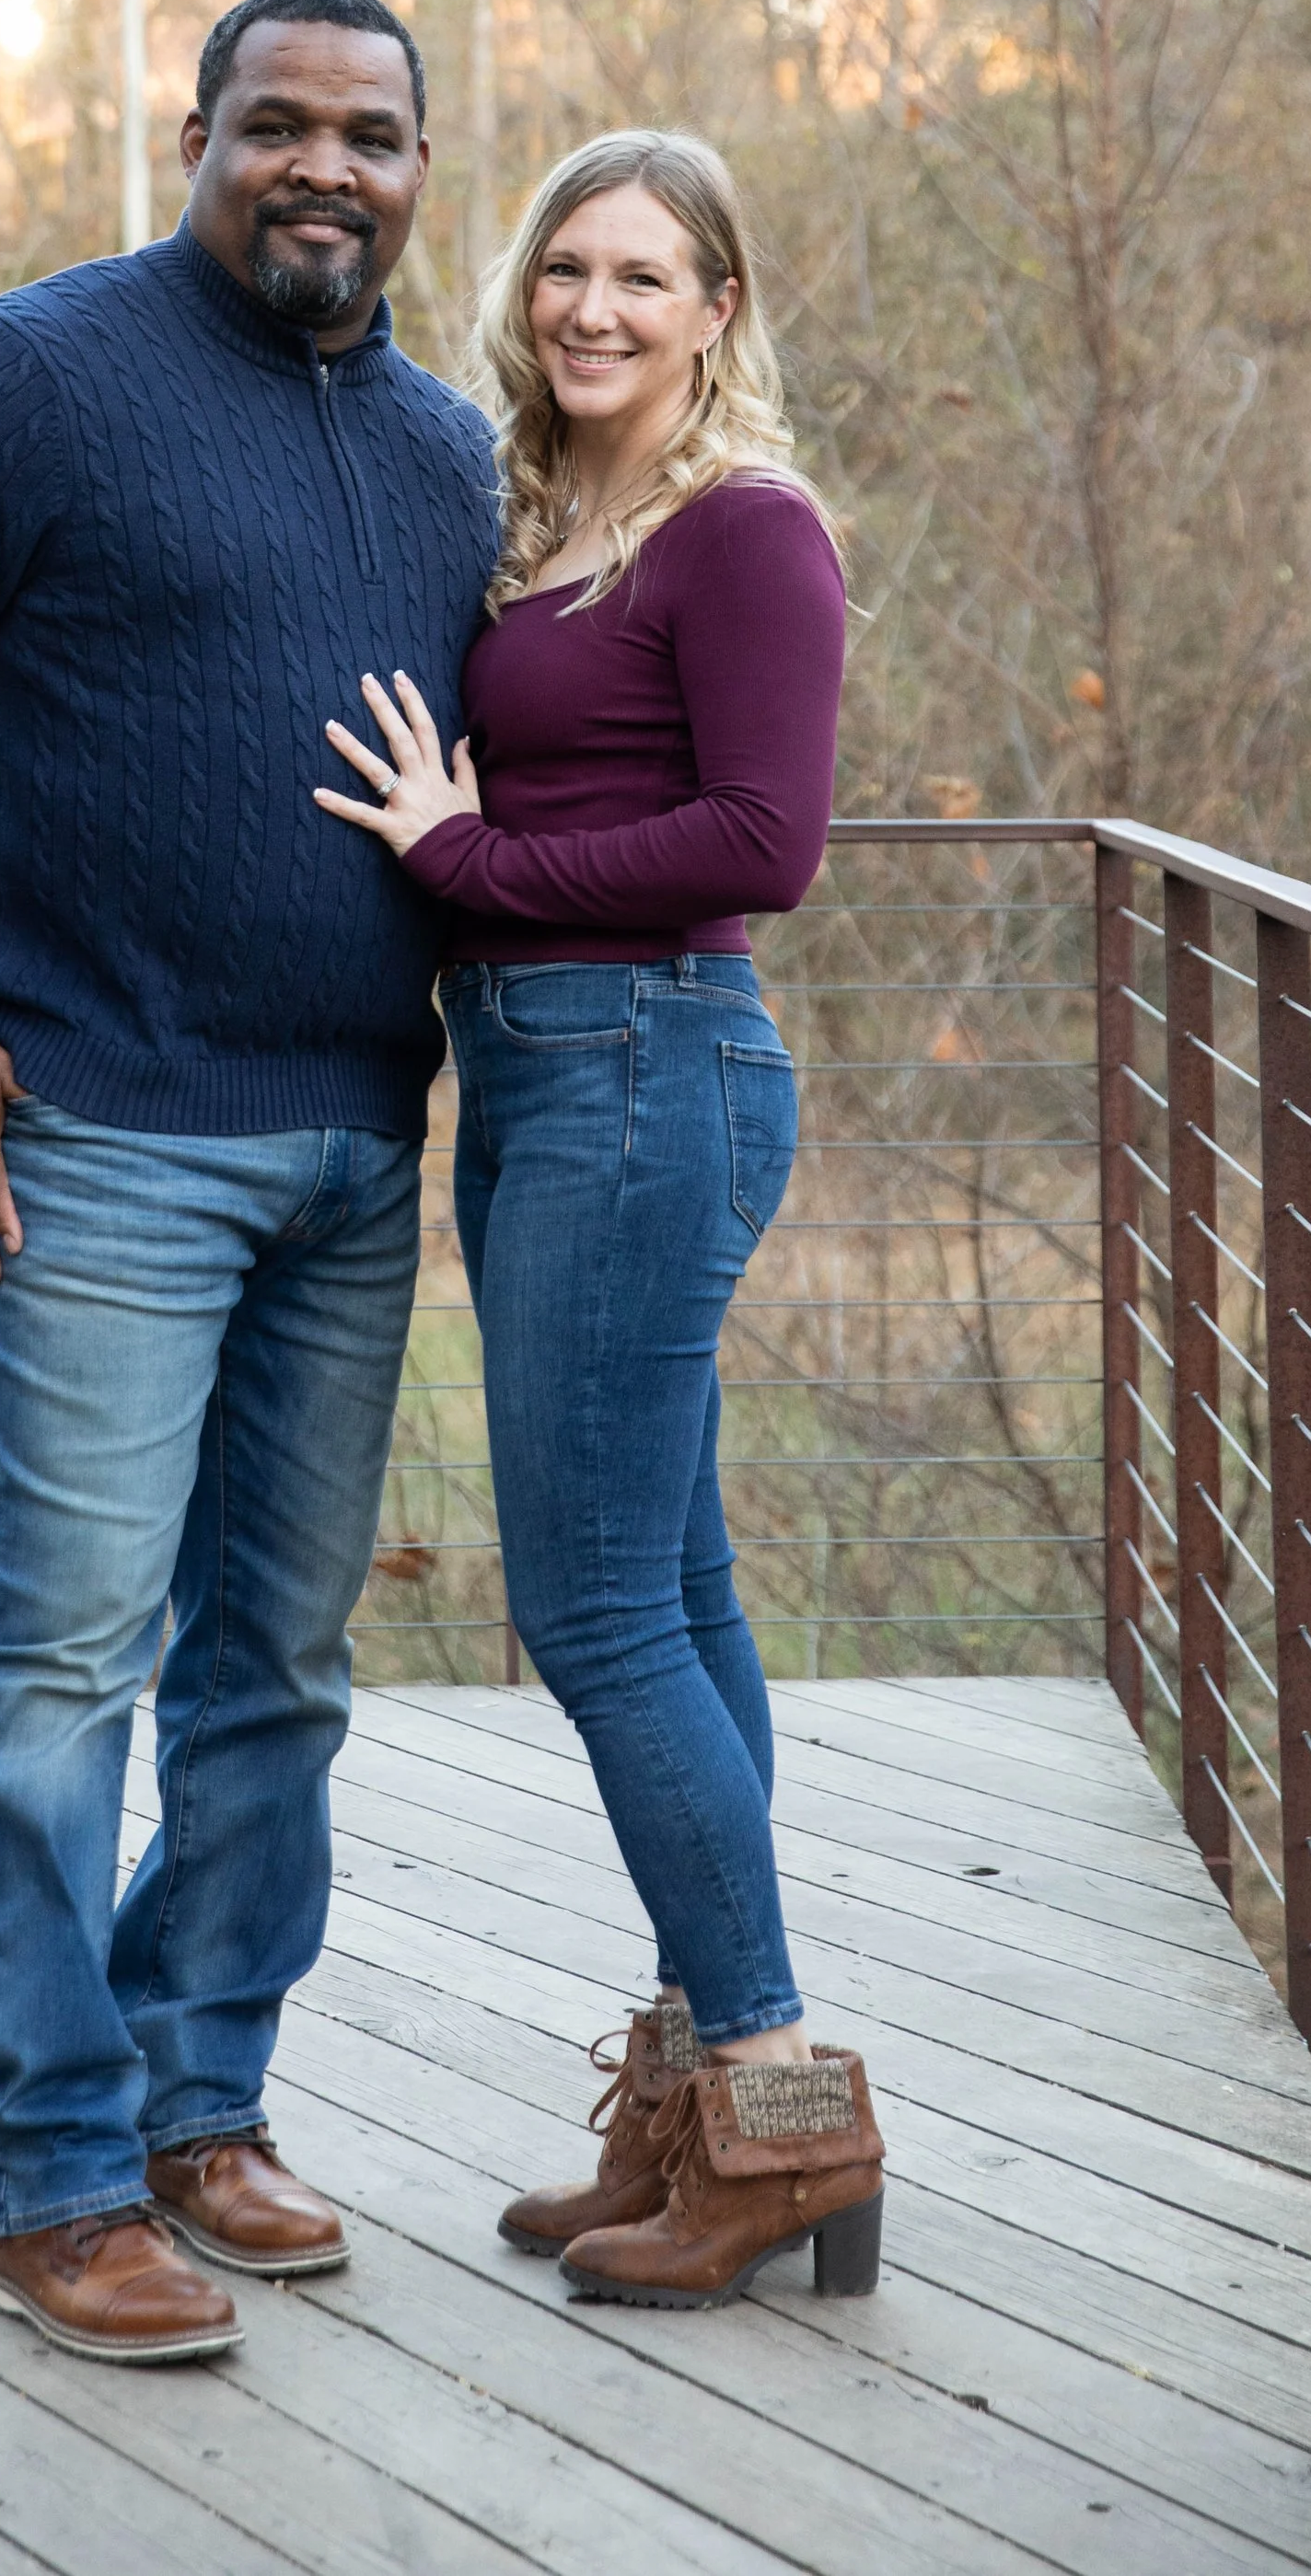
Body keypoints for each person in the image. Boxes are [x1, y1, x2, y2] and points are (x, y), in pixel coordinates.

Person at [0, 0, 495, 2363]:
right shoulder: (38, 372)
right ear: (192, 133)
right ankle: (56, 2171)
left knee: (273, 1666)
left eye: (366, 133)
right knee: (64, 1663)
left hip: (353, 1150)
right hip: (92, 1135)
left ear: (414, 169)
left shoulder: (454, 453)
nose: (320, 165)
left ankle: (204, 2104)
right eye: (272, 121)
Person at [316, 129, 886, 2308]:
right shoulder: (549, 522)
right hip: (561, 1075)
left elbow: (762, 840)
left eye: (644, 277)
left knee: (591, 1612)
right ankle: (700, 2097)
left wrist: (459, 866)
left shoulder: (744, 534)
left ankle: (772, 2098)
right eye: (566, 268)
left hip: (643, 1066)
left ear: (715, 309)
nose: (592, 310)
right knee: (675, 1584)